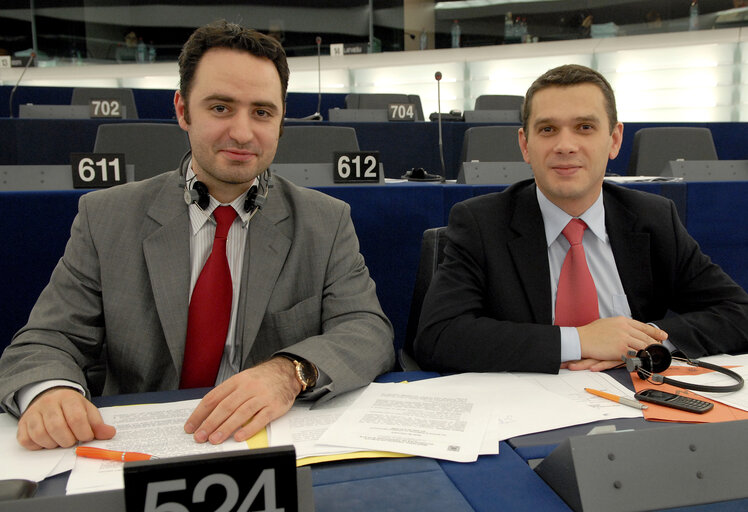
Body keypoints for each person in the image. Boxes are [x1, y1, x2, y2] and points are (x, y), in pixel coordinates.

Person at [0, 20, 394, 450]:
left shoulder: (326, 221)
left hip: (269, 440)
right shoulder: (106, 216)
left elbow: (366, 330)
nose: (243, 133)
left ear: (281, 121)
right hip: (137, 443)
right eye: (221, 108)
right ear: (183, 110)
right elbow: (47, 339)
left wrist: (288, 372)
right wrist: (52, 392)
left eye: (262, 112)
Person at [414, 64, 748, 374]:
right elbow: (439, 336)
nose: (565, 145)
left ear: (614, 140)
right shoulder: (481, 224)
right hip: (524, 415)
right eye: (547, 129)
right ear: (525, 145)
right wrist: (579, 340)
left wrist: (642, 343)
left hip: (633, 407)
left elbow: (739, 313)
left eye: (584, 127)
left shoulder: (653, 219)